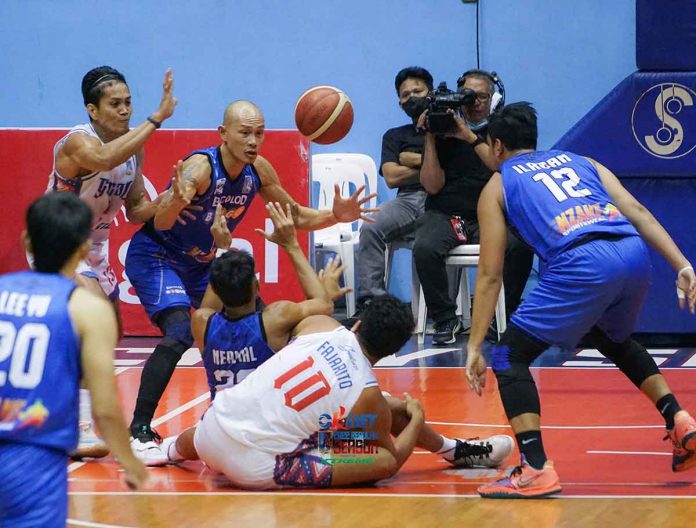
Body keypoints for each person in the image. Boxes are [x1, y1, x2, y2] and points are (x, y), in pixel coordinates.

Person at [125, 100, 378, 463]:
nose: (253, 140)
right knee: (181, 331)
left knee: (261, 327)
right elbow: (162, 224)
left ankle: (268, 416)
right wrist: (175, 202)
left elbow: (297, 216)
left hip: (201, 263)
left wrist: (334, 216)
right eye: (244, 133)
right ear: (222, 134)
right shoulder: (199, 168)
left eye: (259, 132)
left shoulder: (257, 170)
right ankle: (139, 430)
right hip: (158, 255)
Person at [465, 102, 696, 498]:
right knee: (612, 338)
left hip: (582, 262)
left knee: (508, 357)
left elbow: (490, 273)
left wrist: (473, 346)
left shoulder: (498, 184)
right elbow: (637, 210)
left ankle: (535, 467)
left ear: (497, 145)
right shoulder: (580, 160)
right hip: (632, 254)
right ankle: (679, 419)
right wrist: (683, 265)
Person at [160, 294, 514, 489]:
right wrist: (415, 419)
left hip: (208, 431)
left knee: (249, 410)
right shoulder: (369, 397)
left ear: (357, 322)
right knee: (383, 447)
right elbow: (389, 462)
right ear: (392, 352)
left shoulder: (318, 324)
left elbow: (297, 321)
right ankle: (455, 452)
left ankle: (165, 449)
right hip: (254, 468)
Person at [46, 65, 177, 458]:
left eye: (128, 103)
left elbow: (137, 209)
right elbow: (103, 159)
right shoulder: (77, 144)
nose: (124, 111)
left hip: (96, 248)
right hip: (59, 241)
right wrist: (156, 118)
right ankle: (78, 426)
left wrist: (176, 196)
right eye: (114, 104)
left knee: (111, 334)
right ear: (92, 110)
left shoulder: (133, 147)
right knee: (94, 328)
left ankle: (55, 407)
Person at [0, 193, 147, 527]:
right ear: (84, 249)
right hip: (32, 462)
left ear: (27, 241)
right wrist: (130, 462)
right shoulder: (88, 309)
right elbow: (105, 409)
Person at [415, 69, 534, 346]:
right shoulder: (442, 127)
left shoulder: (502, 132)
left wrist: (467, 136)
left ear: (494, 100)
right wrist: (431, 136)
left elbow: (501, 167)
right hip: (446, 213)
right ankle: (445, 317)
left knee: (520, 246)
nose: (475, 103)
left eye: (482, 96)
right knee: (424, 247)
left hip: (489, 216)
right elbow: (432, 186)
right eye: (469, 97)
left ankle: (501, 316)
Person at [353, 66, 431, 312]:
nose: (412, 98)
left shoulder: (449, 129)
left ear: (430, 92)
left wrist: (411, 158)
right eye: (405, 95)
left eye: (417, 91)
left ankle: (441, 309)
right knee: (370, 225)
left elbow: (454, 169)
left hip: (442, 198)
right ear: (400, 103)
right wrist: (431, 165)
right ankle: (372, 302)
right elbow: (391, 177)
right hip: (407, 201)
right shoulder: (394, 136)